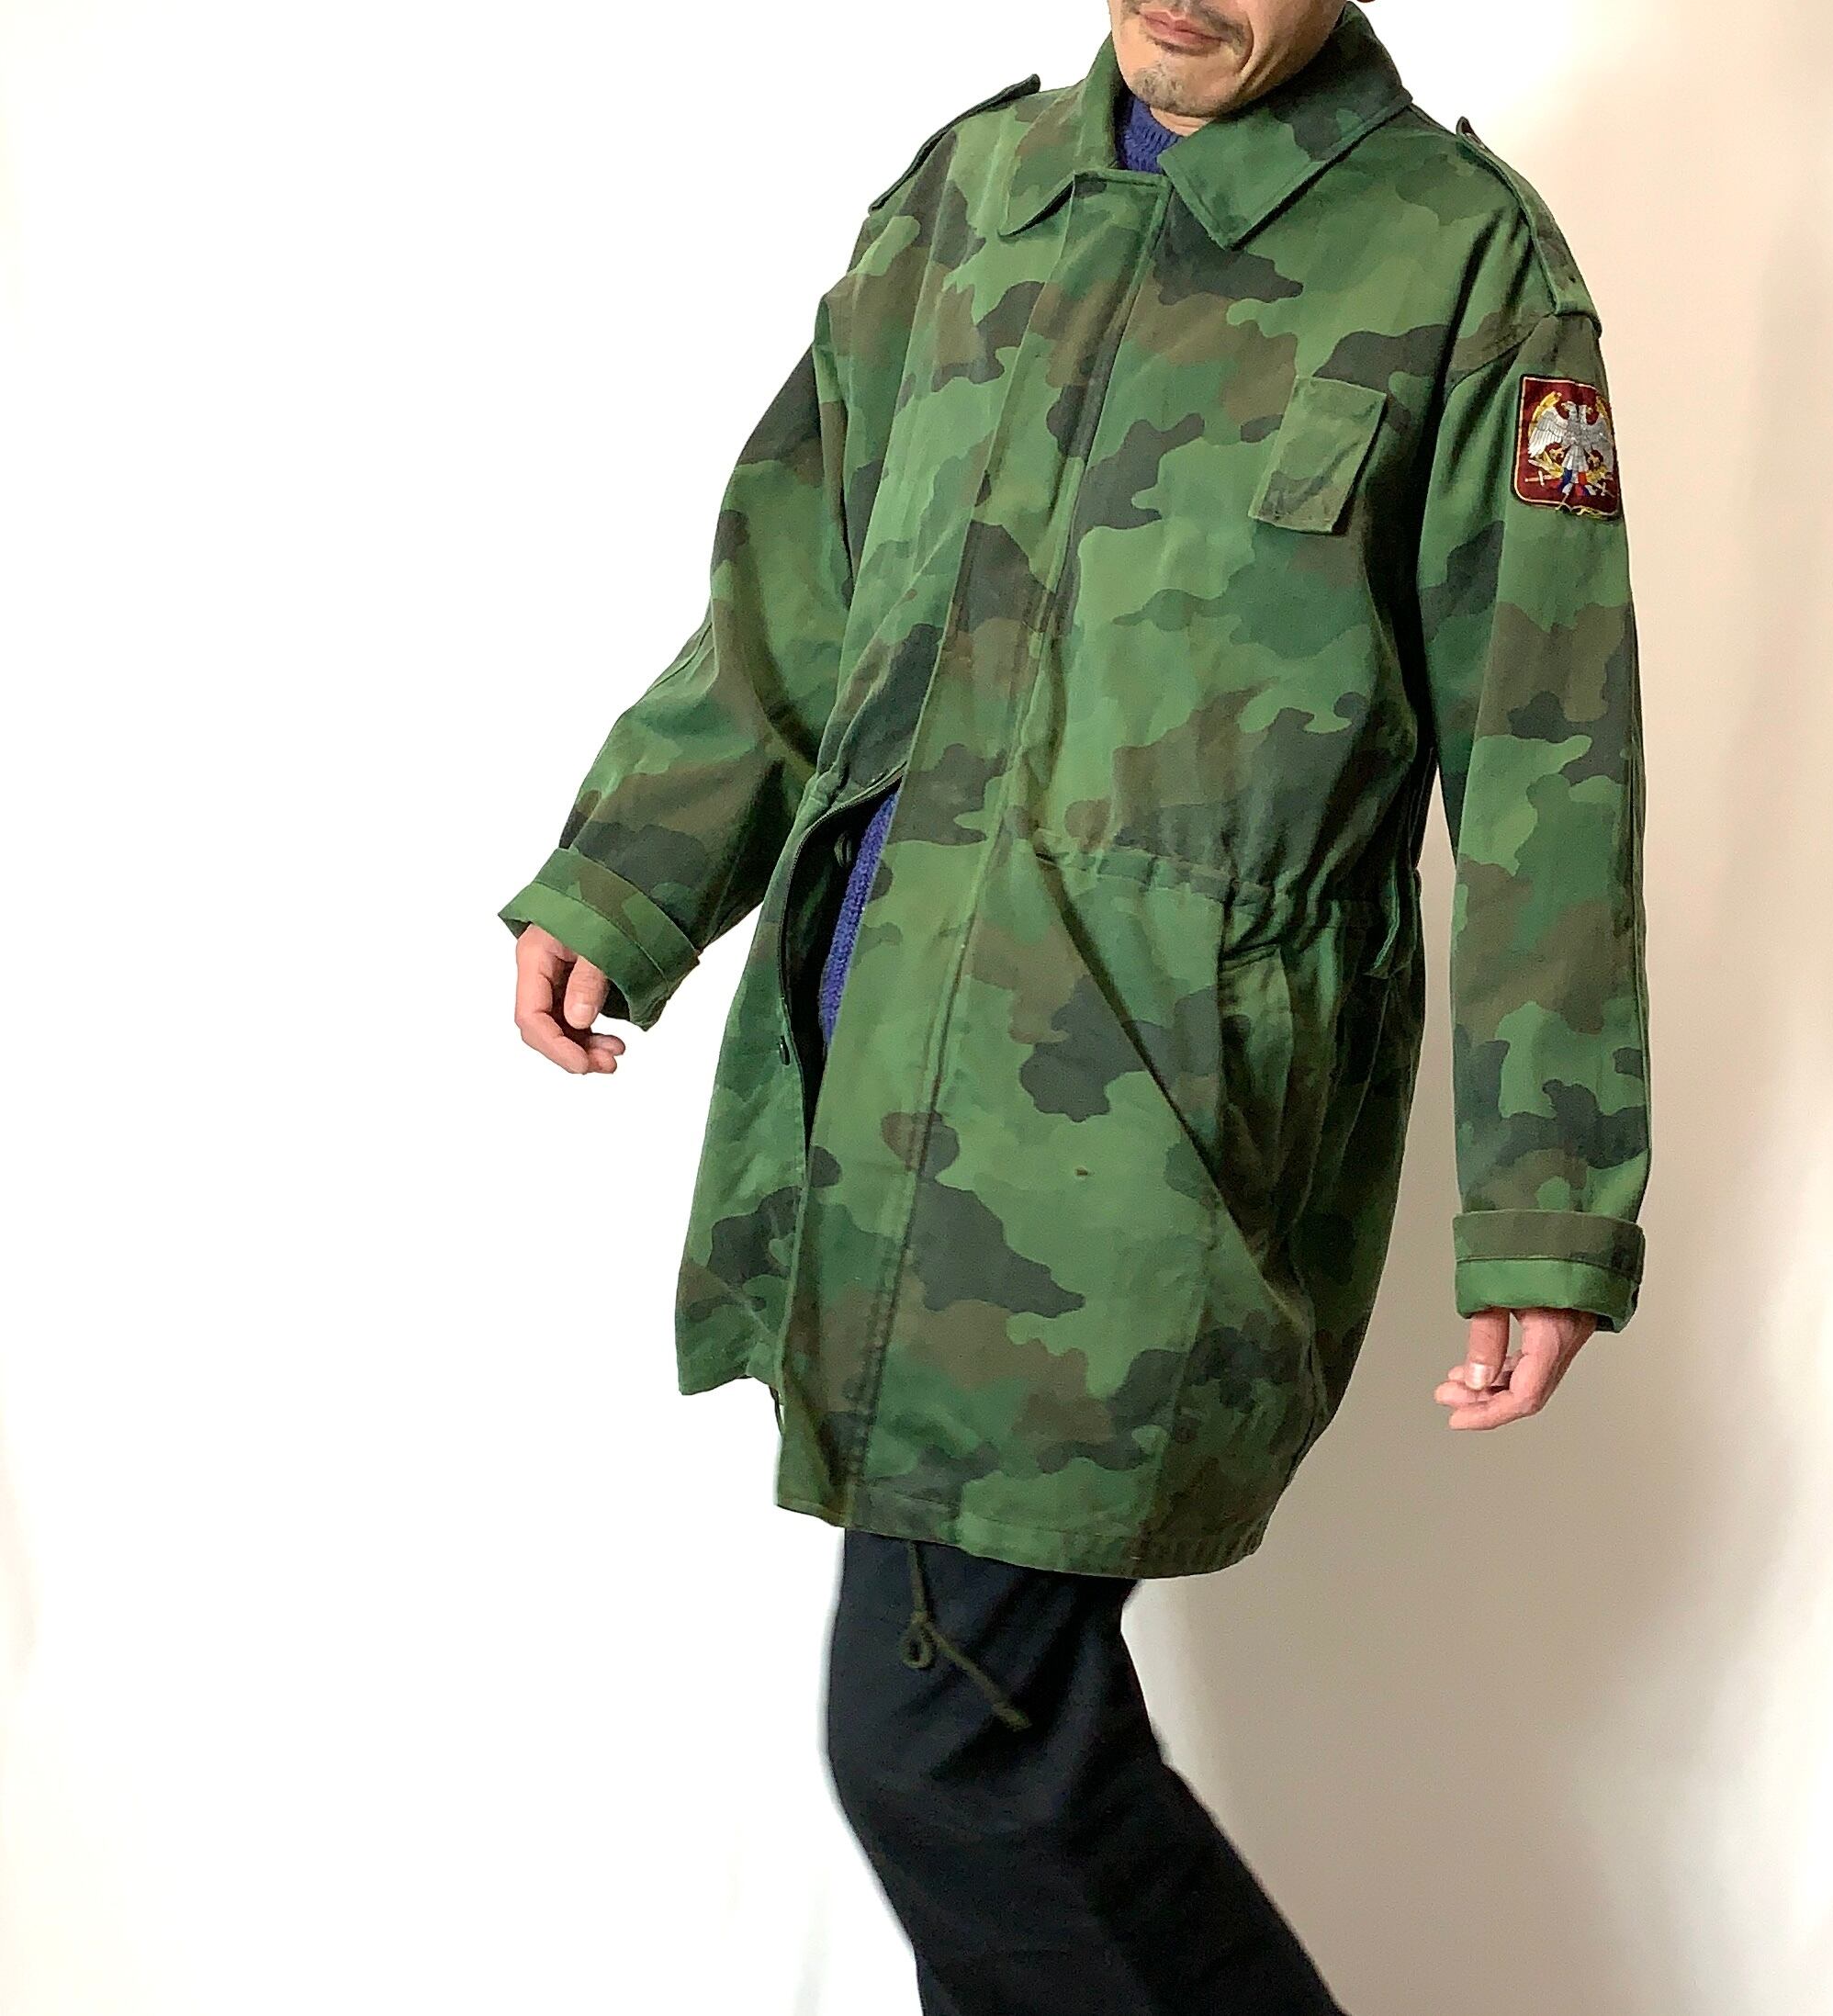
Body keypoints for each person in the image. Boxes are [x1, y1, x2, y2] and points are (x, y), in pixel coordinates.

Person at [500, 2, 1653, 2007]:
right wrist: (634, 868)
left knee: (956, 1747)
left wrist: (1549, 1200)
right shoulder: (974, 194)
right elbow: (792, 591)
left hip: (1156, 1130)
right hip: (871, 1091)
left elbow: (1550, 762)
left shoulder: (1463, 264)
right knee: (981, 1766)